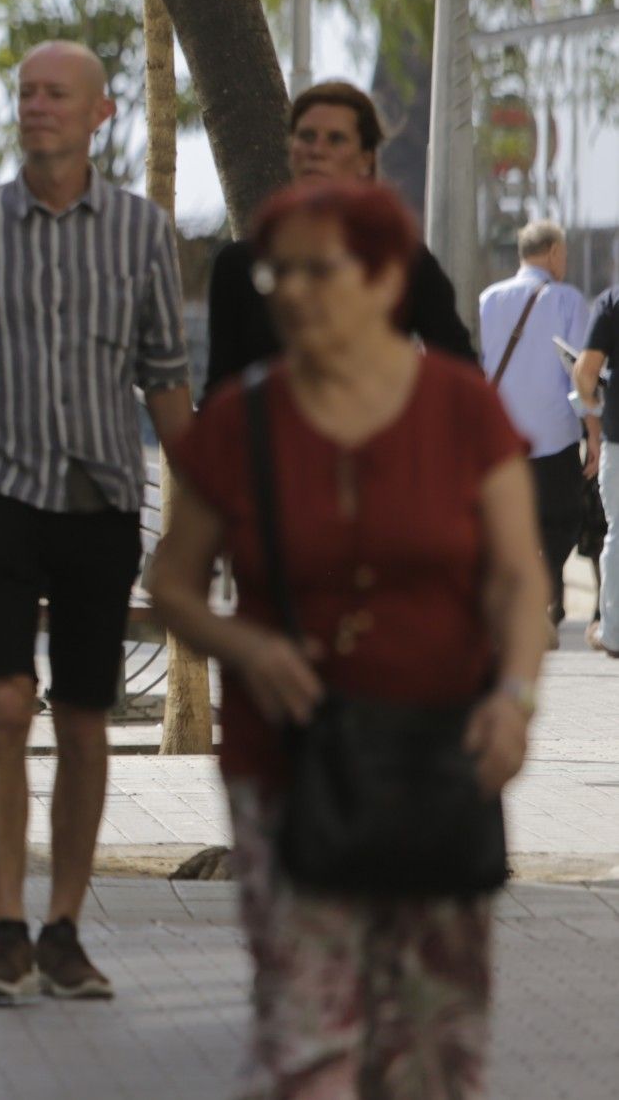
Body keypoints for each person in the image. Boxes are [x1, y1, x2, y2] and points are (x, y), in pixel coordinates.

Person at [151, 181, 547, 1094]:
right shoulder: (247, 419)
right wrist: (246, 648)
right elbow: (171, 579)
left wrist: (515, 699)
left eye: (315, 269)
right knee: (309, 1034)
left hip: (442, 755)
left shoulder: (460, 409)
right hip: (286, 762)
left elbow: (520, 578)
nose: (289, 289)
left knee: (435, 1043)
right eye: (275, 271)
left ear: (382, 280)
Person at [0, 42, 192, 1004]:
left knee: (88, 718)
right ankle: (5, 925)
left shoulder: (142, 233)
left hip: (100, 502)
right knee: (8, 702)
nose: (36, 106)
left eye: (56, 93)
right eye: (25, 92)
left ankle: (64, 926)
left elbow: (168, 381)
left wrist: (205, 516)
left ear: (101, 112)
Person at [205, 80, 475, 394]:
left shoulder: (403, 262)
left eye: (336, 140)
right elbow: (219, 392)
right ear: (292, 150)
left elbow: (464, 377)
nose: (317, 150)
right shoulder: (239, 265)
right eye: (307, 136)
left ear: (365, 159)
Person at [478, 218, 594, 646]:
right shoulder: (568, 300)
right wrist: (594, 434)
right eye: (562, 253)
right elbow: (583, 375)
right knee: (562, 521)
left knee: (504, 523)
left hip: (500, 439)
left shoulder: (487, 299)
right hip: (554, 437)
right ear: (553, 253)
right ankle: (535, 598)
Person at [570, 275, 619, 653]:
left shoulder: (611, 302)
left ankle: (614, 631)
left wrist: (594, 406)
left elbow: (585, 372)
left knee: (617, 536)